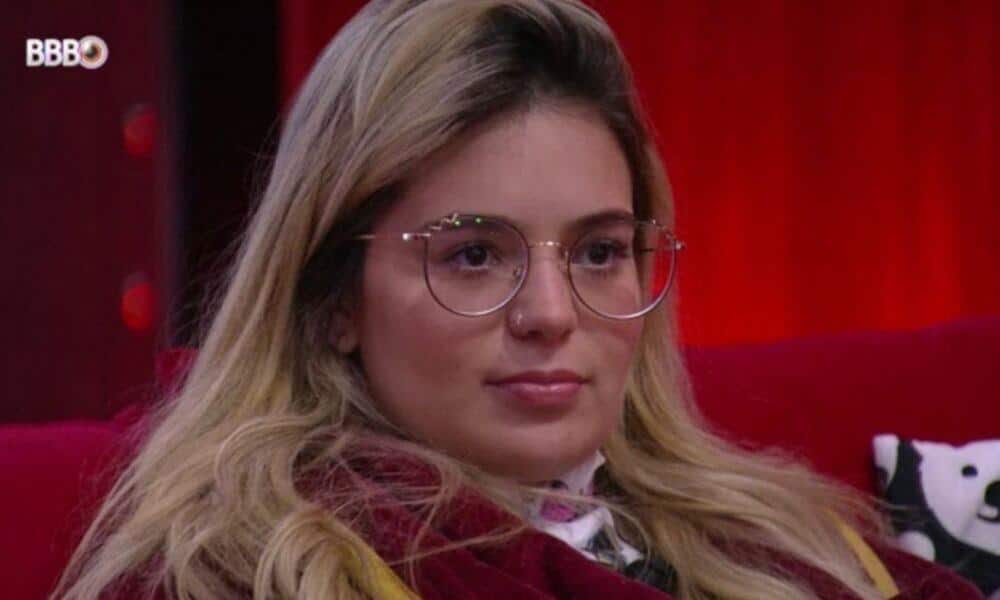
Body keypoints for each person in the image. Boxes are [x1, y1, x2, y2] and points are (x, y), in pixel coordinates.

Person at [53, 1, 982, 598]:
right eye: (472, 256)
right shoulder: (235, 571)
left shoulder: (781, 536)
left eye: (599, 252)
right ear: (333, 298)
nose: (552, 313)